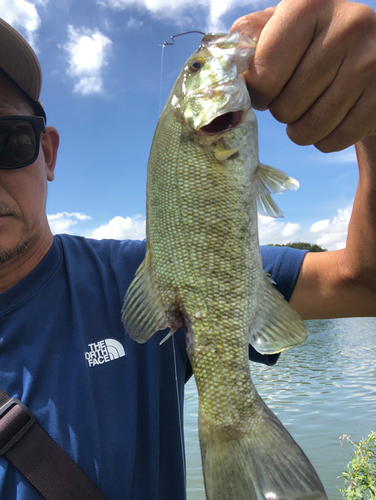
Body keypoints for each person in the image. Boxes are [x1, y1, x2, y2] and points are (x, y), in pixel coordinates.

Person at [0, 0, 375, 498]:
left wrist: (371, 129)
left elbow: (364, 282)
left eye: (6, 141)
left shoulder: (136, 275)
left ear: (46, 152)